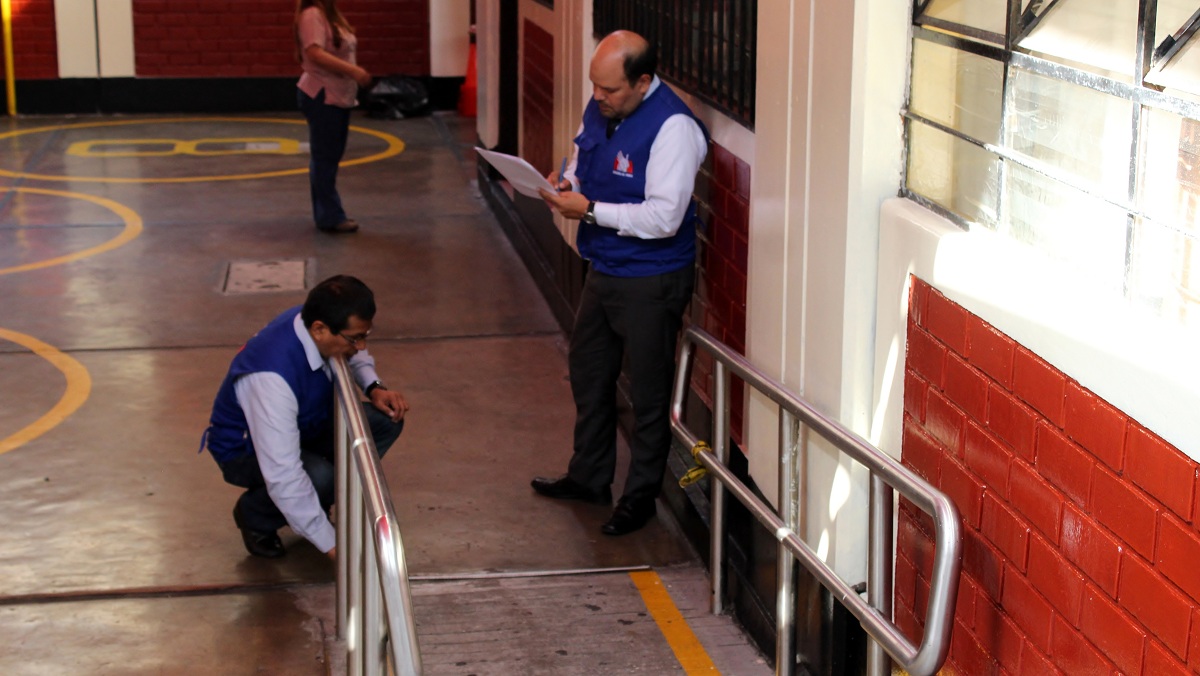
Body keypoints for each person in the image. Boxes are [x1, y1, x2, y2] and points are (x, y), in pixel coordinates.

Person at [535, 30, 709, 536]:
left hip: (652, 279)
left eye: (609, 90)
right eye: (595, 86)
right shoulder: (604, 108)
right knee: (589, 372)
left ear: (643, 82)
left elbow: (664, 218)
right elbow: (580, 156)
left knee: (649, 393)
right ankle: (589, 477)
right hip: (606, 265)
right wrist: (570, 183)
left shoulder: (674, 128)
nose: (597, 98)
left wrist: (588, 210)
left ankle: (640, 499)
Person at [201, 275, 409, 559]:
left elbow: (352, 353)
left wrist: (373, 387)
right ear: (320, 330)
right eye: (355, 338)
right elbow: (282, 472)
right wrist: (331, 543)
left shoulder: (314, 319)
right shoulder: (270, 378)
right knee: (319, 477)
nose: (360, 346)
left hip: (305, 422)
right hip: (245, 451)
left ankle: (318, 496)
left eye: (365, 336)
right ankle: (255, 515)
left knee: (385, 421)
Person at [295, 0, 372, 233]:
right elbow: (314, 52)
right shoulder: (312, 15)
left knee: (329, 156)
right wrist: (353, 71)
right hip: (322, 93)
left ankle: (327, 213)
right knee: (325, 157)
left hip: (336, 94)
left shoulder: (330, 15)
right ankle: (329, 216)